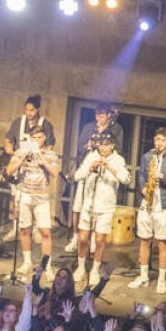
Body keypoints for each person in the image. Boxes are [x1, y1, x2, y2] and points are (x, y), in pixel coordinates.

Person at [130, 128, 166, 292]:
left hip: (163, 206)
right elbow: (141, 175)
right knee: (144, 241)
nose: (159, 142)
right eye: (157, 139)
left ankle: (162, 279)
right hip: (147, 204)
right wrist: (143, 189)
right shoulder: (148, 156)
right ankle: (144, 276)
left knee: (162, 243)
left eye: (162, 139)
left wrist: (163, 177)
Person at [72, 134, 129, 287]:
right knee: (83, 239)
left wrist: (109, 167)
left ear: (112, 146)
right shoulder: (91, 157)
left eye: (107, 145)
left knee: (99, 240)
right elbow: (77, 176)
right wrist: (91, 169)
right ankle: (81, 267)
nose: (103, 148)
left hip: (106, 207)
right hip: (88, 204)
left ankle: (95, 270)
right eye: (101, 145)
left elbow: (126, 179)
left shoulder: (118, 160)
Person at [67, 104, 125, 253]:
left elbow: (118, 148)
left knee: (97, 207)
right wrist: (91, 146)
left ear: (108, 116)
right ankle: (76, 237)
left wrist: (104, 139)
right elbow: (81, 147)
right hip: (87, 166)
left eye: (103, 115)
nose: (100, 117)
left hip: (105, 169)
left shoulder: (115, 129)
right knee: (78, 206)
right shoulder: (88, 128)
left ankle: (93, 239)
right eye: (98, 115)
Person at [5, 125, 61, 275]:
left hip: (42, 198)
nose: (37, 141)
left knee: (45, 231)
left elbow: (55, 172)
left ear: (44, 138)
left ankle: (47, 266)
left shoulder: (50, 154)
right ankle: (27, 261)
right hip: (24, 195)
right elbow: (9, 170)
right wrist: (22, 158)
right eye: (34, 138)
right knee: (24, 229)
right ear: (30, 138)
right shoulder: (21, 152)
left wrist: (42, 157)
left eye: (40, 138)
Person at [3, 94, 56, 242]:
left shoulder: (46, 124)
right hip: (21, 164)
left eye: (32, 110)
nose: (29, 113)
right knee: (16, 198)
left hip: (38, 169)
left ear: (37, 110)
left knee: (35, 200)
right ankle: (15, 228)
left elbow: (51, 145)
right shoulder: (18, 122)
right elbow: (8, 141)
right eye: (27, 110)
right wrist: (13, 153)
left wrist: (43, 156)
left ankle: (36, 230)